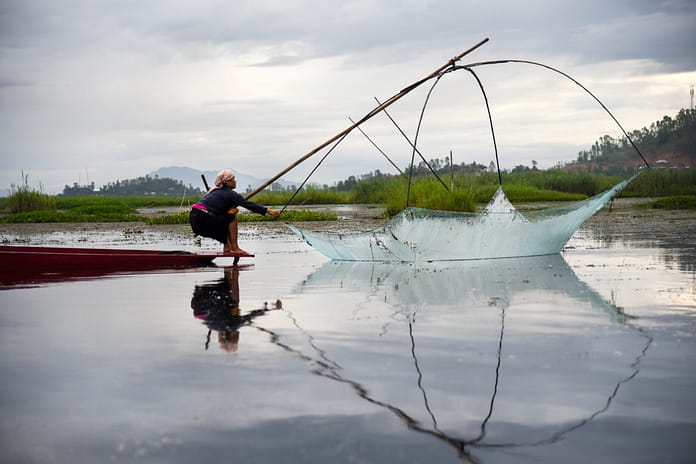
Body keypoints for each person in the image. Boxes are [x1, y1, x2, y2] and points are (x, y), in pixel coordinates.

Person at [189, 169, 280, 255]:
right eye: (233, 179)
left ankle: (227, 247)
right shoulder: (231, 194)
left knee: (225, 216)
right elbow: (248, 205)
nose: (235, 181)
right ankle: (235, 248)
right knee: (232, 217)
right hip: (205, 218)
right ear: (227, 182)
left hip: (194, 219)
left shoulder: (213, 192)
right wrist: (269, 211)